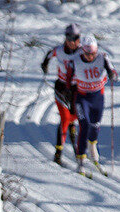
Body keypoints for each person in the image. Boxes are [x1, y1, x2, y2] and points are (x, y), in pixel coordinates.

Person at [68, 33, 118, 174]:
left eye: (93, 54)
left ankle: (92, 147)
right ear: (82, 51)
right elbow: (68, 80)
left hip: (97, 97)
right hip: (82, 98)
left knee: (95, 126)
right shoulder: (75, 60)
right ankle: (81, 159)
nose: (91, 57)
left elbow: (112, 71)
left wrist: (112, 75)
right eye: (88, 54)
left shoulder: (103, 58)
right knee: (84, 126)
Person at [41, 23, 81, 164]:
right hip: (62, 88)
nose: (72, 41)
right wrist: (44, 65)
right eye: (69, 38)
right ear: (65, 38)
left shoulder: (82, 52)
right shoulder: (59, 50)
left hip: (77, 88)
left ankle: (77, 146)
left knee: (75, 117)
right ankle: (58, 153)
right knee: (65, 118)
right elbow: (48, 55)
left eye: (76, 38)